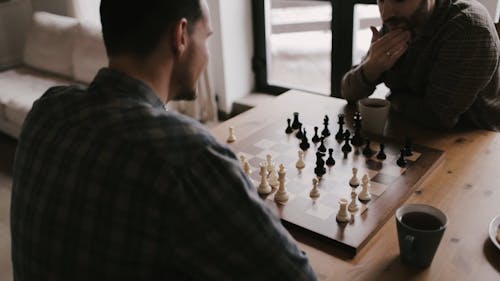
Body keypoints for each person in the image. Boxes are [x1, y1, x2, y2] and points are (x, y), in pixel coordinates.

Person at [10, 1, 317, 280]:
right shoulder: (189, 156)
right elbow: (298, 276)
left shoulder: (47, 110)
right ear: (181, 36)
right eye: (206, 38)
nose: (207, 54)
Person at [342, 0, 500, 131]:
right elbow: (347, 91)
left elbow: (437, 117)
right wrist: (371, 68)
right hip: (412, 132)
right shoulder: (398, 22)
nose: (385, 14)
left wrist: (394, 99)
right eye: (381, 0)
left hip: (474, 143)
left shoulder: (468, 28)